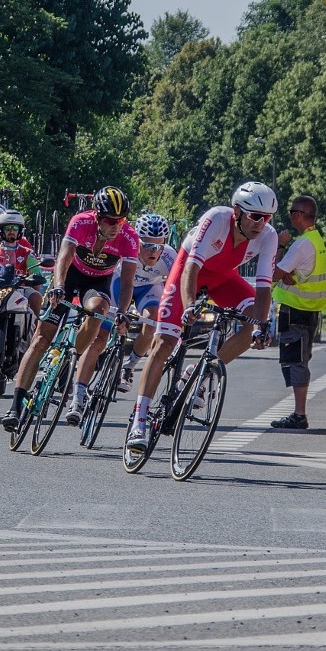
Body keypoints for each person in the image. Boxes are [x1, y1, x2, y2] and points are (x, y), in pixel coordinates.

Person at [125, 181, 278, 450]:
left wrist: (261, 326)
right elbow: (191, 269)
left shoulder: (268, 236)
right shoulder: (216, 219)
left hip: (223, 278)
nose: (261, 224)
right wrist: (189, 306)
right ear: (237, 212)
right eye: (255, 216)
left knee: (253, 319)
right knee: (164, 343)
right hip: (188, 272)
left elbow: (264, 286)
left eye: (267, 218)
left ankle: (203, 372)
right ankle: (140, 420)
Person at [3, 186, 140, 432]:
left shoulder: (129, 237)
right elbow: (63, 258)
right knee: (41, 340)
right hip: (69, 277)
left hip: (98, 283)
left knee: (98, 309)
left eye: (120, 220)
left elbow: (128, 281)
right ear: (97, 217)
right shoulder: (80, 222)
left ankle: (71, 355)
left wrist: (122, 310)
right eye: (110, 220)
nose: (116, 226)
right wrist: (57, 286)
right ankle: (15, 405)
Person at [268, 195, 326, 430]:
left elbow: (274, 273)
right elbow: (295, 274)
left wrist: (281, 244)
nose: (290, 214)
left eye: (293, 211)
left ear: (302, 215)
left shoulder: (302, 243)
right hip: (308, 311)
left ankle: (299, 414)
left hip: (296, 311)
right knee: (299, 360)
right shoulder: (315, 240)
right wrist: (287, 274)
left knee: (296, 362)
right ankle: (298, 412)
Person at [111, 212, 177, 392]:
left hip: (148, 288)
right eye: (147, 245)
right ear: (137, 241)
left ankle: (129, 366)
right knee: (111, 320)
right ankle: (107, 353)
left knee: (151, 323)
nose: (154, 251)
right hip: (120, 282)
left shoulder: (170, 256)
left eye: (159, 246)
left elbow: (177, 285)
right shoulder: (126, 245)